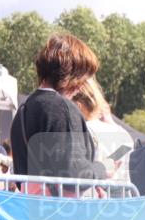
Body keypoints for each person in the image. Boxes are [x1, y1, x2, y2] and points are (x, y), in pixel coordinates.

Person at [10, 34, 107, 186]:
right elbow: (76, 176)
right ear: (72, 73)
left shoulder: (23, 110)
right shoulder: (64, 109)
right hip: (60, 201)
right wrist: (102, 169)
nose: (82, 86)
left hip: (30, 200)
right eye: (83, 77)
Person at [73, 76, 133, 179]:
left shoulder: (84, 131)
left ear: (78, 106)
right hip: (122, 188)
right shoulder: (123, 134)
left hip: (93, 188)